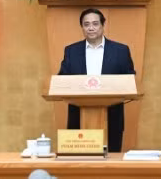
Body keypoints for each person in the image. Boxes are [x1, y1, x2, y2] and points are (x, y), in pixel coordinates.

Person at [57, 8, 135, 153]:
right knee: (79, 163)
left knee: (110, 162)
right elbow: (62, 79)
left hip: (112, 114)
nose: (91, 28)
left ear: (102, 26)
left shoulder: (121, 50)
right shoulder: (71, 51)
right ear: (82, 27)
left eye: (95, 24)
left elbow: (130, 79)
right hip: (78, 114)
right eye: (86, 24)